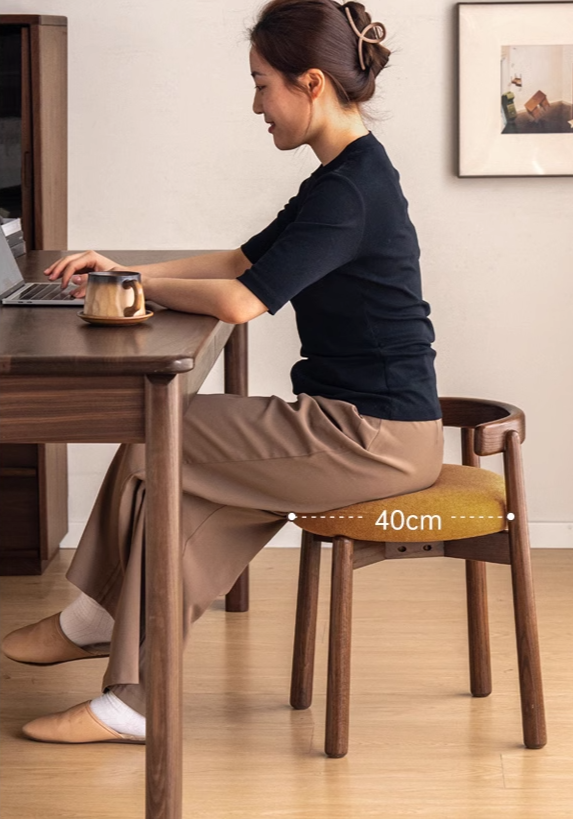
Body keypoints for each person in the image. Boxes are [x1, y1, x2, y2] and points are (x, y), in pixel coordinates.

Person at [1, 0, 443, 745]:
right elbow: (242, 260)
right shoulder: (343, 175)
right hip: (354, 422)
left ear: (309, 84)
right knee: (178, 471)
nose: (255, 104)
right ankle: (122, 674)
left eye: (261, 83)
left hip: (373, 437)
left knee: (158, 437)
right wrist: (124, 265)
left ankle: (104, 639)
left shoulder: (349, 191)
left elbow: (242, 300)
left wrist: (132, 290)